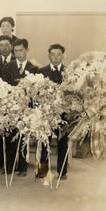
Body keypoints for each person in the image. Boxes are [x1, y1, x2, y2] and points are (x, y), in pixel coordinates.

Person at [2, 38, 38, 176]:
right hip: (11, 107)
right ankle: (10, 167)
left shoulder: (34, 68)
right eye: (15, 51)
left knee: (24, 137)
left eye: (21, 50)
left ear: (27, 50)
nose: (18, 53)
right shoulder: (7, 67)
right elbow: (4, 87)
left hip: (26, 107)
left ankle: (23, 168)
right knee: (11, 136)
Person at [37, 44, 69, 180]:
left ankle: (62, 172)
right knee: (44, 141)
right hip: (46, 113)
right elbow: (37, 92)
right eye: (53, 54)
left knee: (63, 143)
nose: (56, 57)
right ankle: (42, 171)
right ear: (48, 55)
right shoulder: (41, 71)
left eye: (58, 54)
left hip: (63, 114)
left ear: (63, 55)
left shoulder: (69, 72)